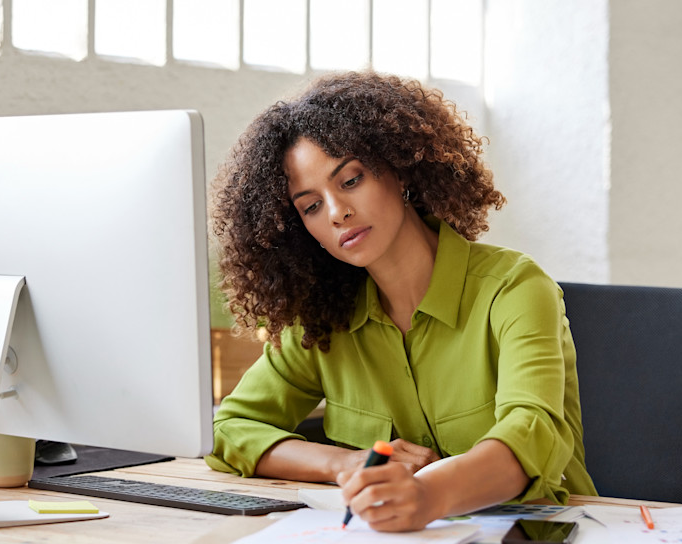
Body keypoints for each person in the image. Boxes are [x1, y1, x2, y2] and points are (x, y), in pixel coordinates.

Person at [206, 71, 596, 532]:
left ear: (399, 168)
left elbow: (533, 434)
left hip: (541, 534)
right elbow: (230, 429)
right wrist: (344, 464)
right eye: (311, 206)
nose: (337, 213)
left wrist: (428, 494)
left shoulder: (514, 288)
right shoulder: (321, 319)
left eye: (351, 180)